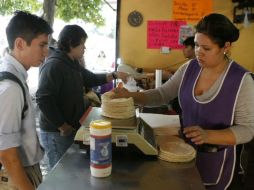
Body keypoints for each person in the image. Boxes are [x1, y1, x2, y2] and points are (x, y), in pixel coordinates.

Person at [112, 13, 254, 190]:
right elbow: (162, 94)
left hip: (216, 161)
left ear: (225, 47)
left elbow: (247, 129)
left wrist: (208, 135)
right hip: (182, 154)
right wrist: (131, 96)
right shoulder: (189, 68)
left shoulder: (241, 80)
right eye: (196, 45)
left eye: (206, 48)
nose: (198, 52)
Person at [36, 24, 128, 170]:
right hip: (56, 131)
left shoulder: (72, 63)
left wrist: (114, 75)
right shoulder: (54, 65)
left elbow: (89, 78)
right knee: (60, 172)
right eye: (82, 44)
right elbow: (43, 99)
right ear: (71, 44)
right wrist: (62, 125)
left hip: (69, 127)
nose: (84, 48)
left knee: (68, 169)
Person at [0, 11, 53, 190]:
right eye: (42, 45)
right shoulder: (11, 87)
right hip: (17, 174)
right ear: (20, 44)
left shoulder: (15, 77)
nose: (46, 52)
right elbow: (6, 153)